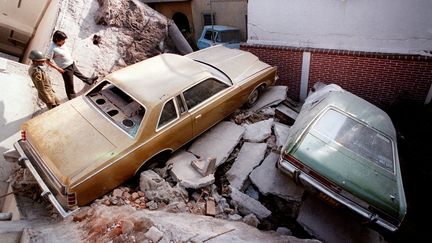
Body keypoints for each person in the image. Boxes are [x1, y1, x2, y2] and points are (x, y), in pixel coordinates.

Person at [46, 30, 98, 100]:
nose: (64, 42)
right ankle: (72, 100)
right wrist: (58, 69)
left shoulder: (62, 44)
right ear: (57, 40)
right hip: (66, 69)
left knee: (80, 75)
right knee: (70, 87)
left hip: (71, 64)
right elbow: (47, 61)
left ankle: (89, 80)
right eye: (62, 40)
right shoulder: (52, 48)